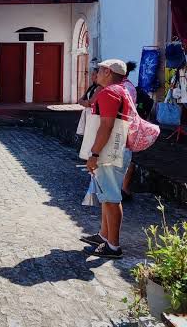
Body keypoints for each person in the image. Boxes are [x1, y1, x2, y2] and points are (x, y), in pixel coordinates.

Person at [81, 59, 133, 259]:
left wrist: (94, 154)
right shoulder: (121, 90)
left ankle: (113, 246)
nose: (96, 74)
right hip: (117, 150)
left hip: (109, 152)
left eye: (99, 70)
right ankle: (105, 236)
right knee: (107, 196)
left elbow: (106, 126)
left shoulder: (110, 93)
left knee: (111, 198)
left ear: (108, 72)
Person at [121, 61, 138, 200]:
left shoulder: (125, 88)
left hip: (125, 127)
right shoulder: (127, 86)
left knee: (126, 158)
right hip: (127, 126)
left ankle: (124, 188)